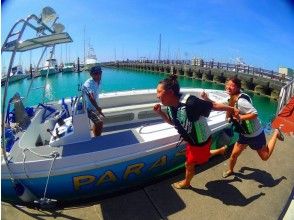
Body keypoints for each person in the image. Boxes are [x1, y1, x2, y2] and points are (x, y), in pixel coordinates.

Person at [153, 74, 238, 189]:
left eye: (159, 92)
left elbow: (213, 105)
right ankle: (221, 150)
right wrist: (161, 113)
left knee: (189, 164)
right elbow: (174, 122)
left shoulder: (191, 102)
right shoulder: (169, 106)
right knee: (201, 157)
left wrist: (232, 109)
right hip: (192, 142)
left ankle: (186, 183)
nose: (157, 96)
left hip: (200, 142)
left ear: (170, 92)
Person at [202, 76, 284, 178]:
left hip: (255, 134)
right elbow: (217, 105)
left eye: (232, 85)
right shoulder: (231, 98)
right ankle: (230, 170)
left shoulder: (241, 101)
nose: (228, 87)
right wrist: (206, 98)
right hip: (244, 134)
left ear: (238, 88)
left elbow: (255, 113)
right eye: (228, 84)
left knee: (265, 156)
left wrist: (240, 117)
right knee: (234, 155)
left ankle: (276, 133)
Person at [82, 65, 104, 137]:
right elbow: (91, 97)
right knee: (99, 122)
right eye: (96, 73)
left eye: (99, 73)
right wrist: (98, 108)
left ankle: (96, 135)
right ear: (91, 74)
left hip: (94, 107)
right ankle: (97, 138)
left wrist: (97, 108)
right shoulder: (88, 84)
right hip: (88, 109)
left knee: (99, 121)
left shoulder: (98, 81)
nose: (98, 75)